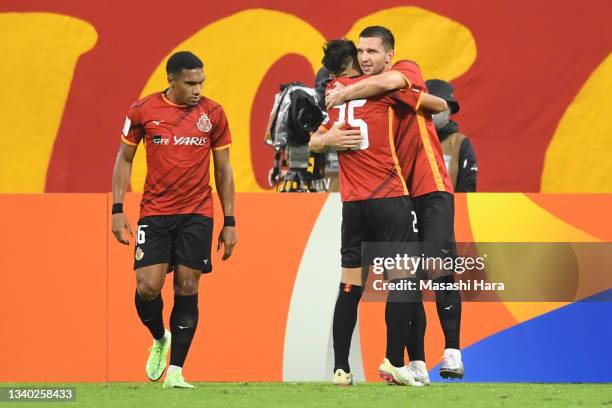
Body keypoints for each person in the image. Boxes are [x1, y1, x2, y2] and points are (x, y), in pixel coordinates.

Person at [326, 26, 463, 383]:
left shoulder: (404, 70)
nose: (365, 57)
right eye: (361, 51)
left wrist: (344, 93)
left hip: (429, 185)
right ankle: (413, 360)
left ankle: (451, 350)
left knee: (438, 264)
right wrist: (322, 138)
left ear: (389, 55)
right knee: (407, 279)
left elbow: (430, 101)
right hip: (395, 194)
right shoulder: (367, 92)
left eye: (372, 51)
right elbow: (433, 104)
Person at [111, 51, 237, 389]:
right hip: (155, 212)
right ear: (171, 80)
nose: (197, 89)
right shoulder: (142, 110)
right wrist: (117, 208)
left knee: (187, 286)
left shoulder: (213, 114)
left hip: (197, 213)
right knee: (148, 287)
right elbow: (124, 159)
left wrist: (230, 220)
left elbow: (223, 169)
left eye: (201, 83)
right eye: (190, 83)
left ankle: (177, 371)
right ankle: (159, 337)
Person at [426, 79, 478, 192]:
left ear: (450, 110)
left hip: (451, 208)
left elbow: (467, 188)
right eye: (428, 106)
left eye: (439, 106)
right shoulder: (408, 139)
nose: (433, 111)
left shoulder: (460, 144)